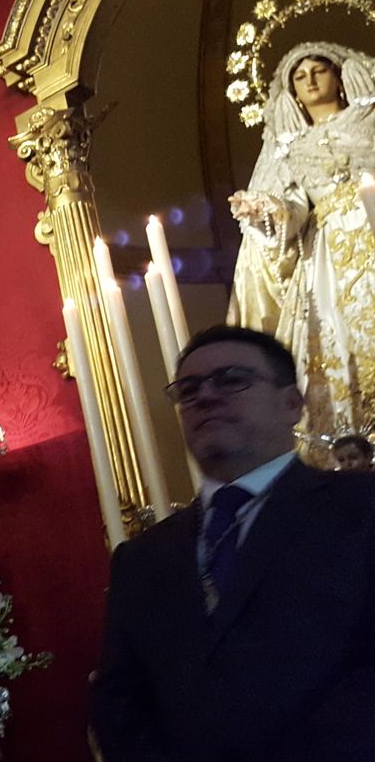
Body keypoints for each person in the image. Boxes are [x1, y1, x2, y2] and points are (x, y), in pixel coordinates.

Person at [89, 325, 375, 760]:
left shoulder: (360, 508)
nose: (205, 396)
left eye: (232, 380)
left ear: (291, 404)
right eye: (188, 390)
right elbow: (119, 703)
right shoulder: (141, 558)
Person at [228, 42, 375, 453]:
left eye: (318, 70)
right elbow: (294, 208)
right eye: (299, 75)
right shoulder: (289, 147)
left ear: (339, 76)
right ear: (291, 91)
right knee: (335, 340)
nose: (310, 80)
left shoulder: (369, 121)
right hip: (326, 256)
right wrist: (267, 211)